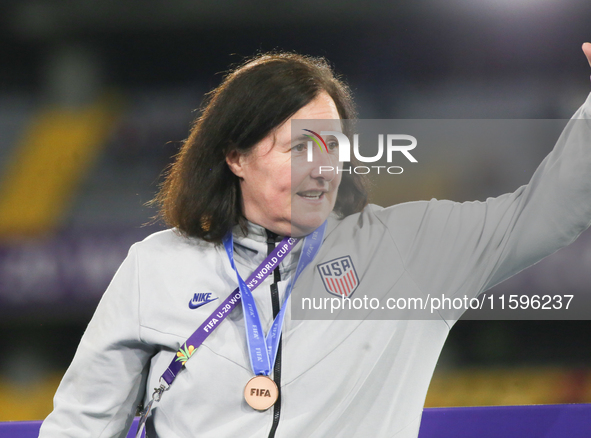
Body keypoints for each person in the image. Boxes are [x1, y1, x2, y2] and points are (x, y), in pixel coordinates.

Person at [40, 46, 591, 438]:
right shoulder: (156, 266)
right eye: (300, 146)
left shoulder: (410, 251)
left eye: (333, 146)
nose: (323, 167)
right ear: (235, 157)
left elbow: (545, 213)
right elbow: (82, 425)